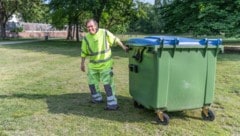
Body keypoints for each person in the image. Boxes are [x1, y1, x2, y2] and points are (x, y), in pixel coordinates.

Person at [80, 19, 128, 110]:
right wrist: (82, 64)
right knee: (92, 83)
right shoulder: (86, 38)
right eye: (88, 27)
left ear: (96, 25)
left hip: (106, 64)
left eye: (91, 26)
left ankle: (112, 104)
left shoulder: (105, 33)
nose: (90, 28)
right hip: (93, 65)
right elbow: (83, 52)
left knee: (108, 84)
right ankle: (97, 99)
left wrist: (123, 47)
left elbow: (115, 40)